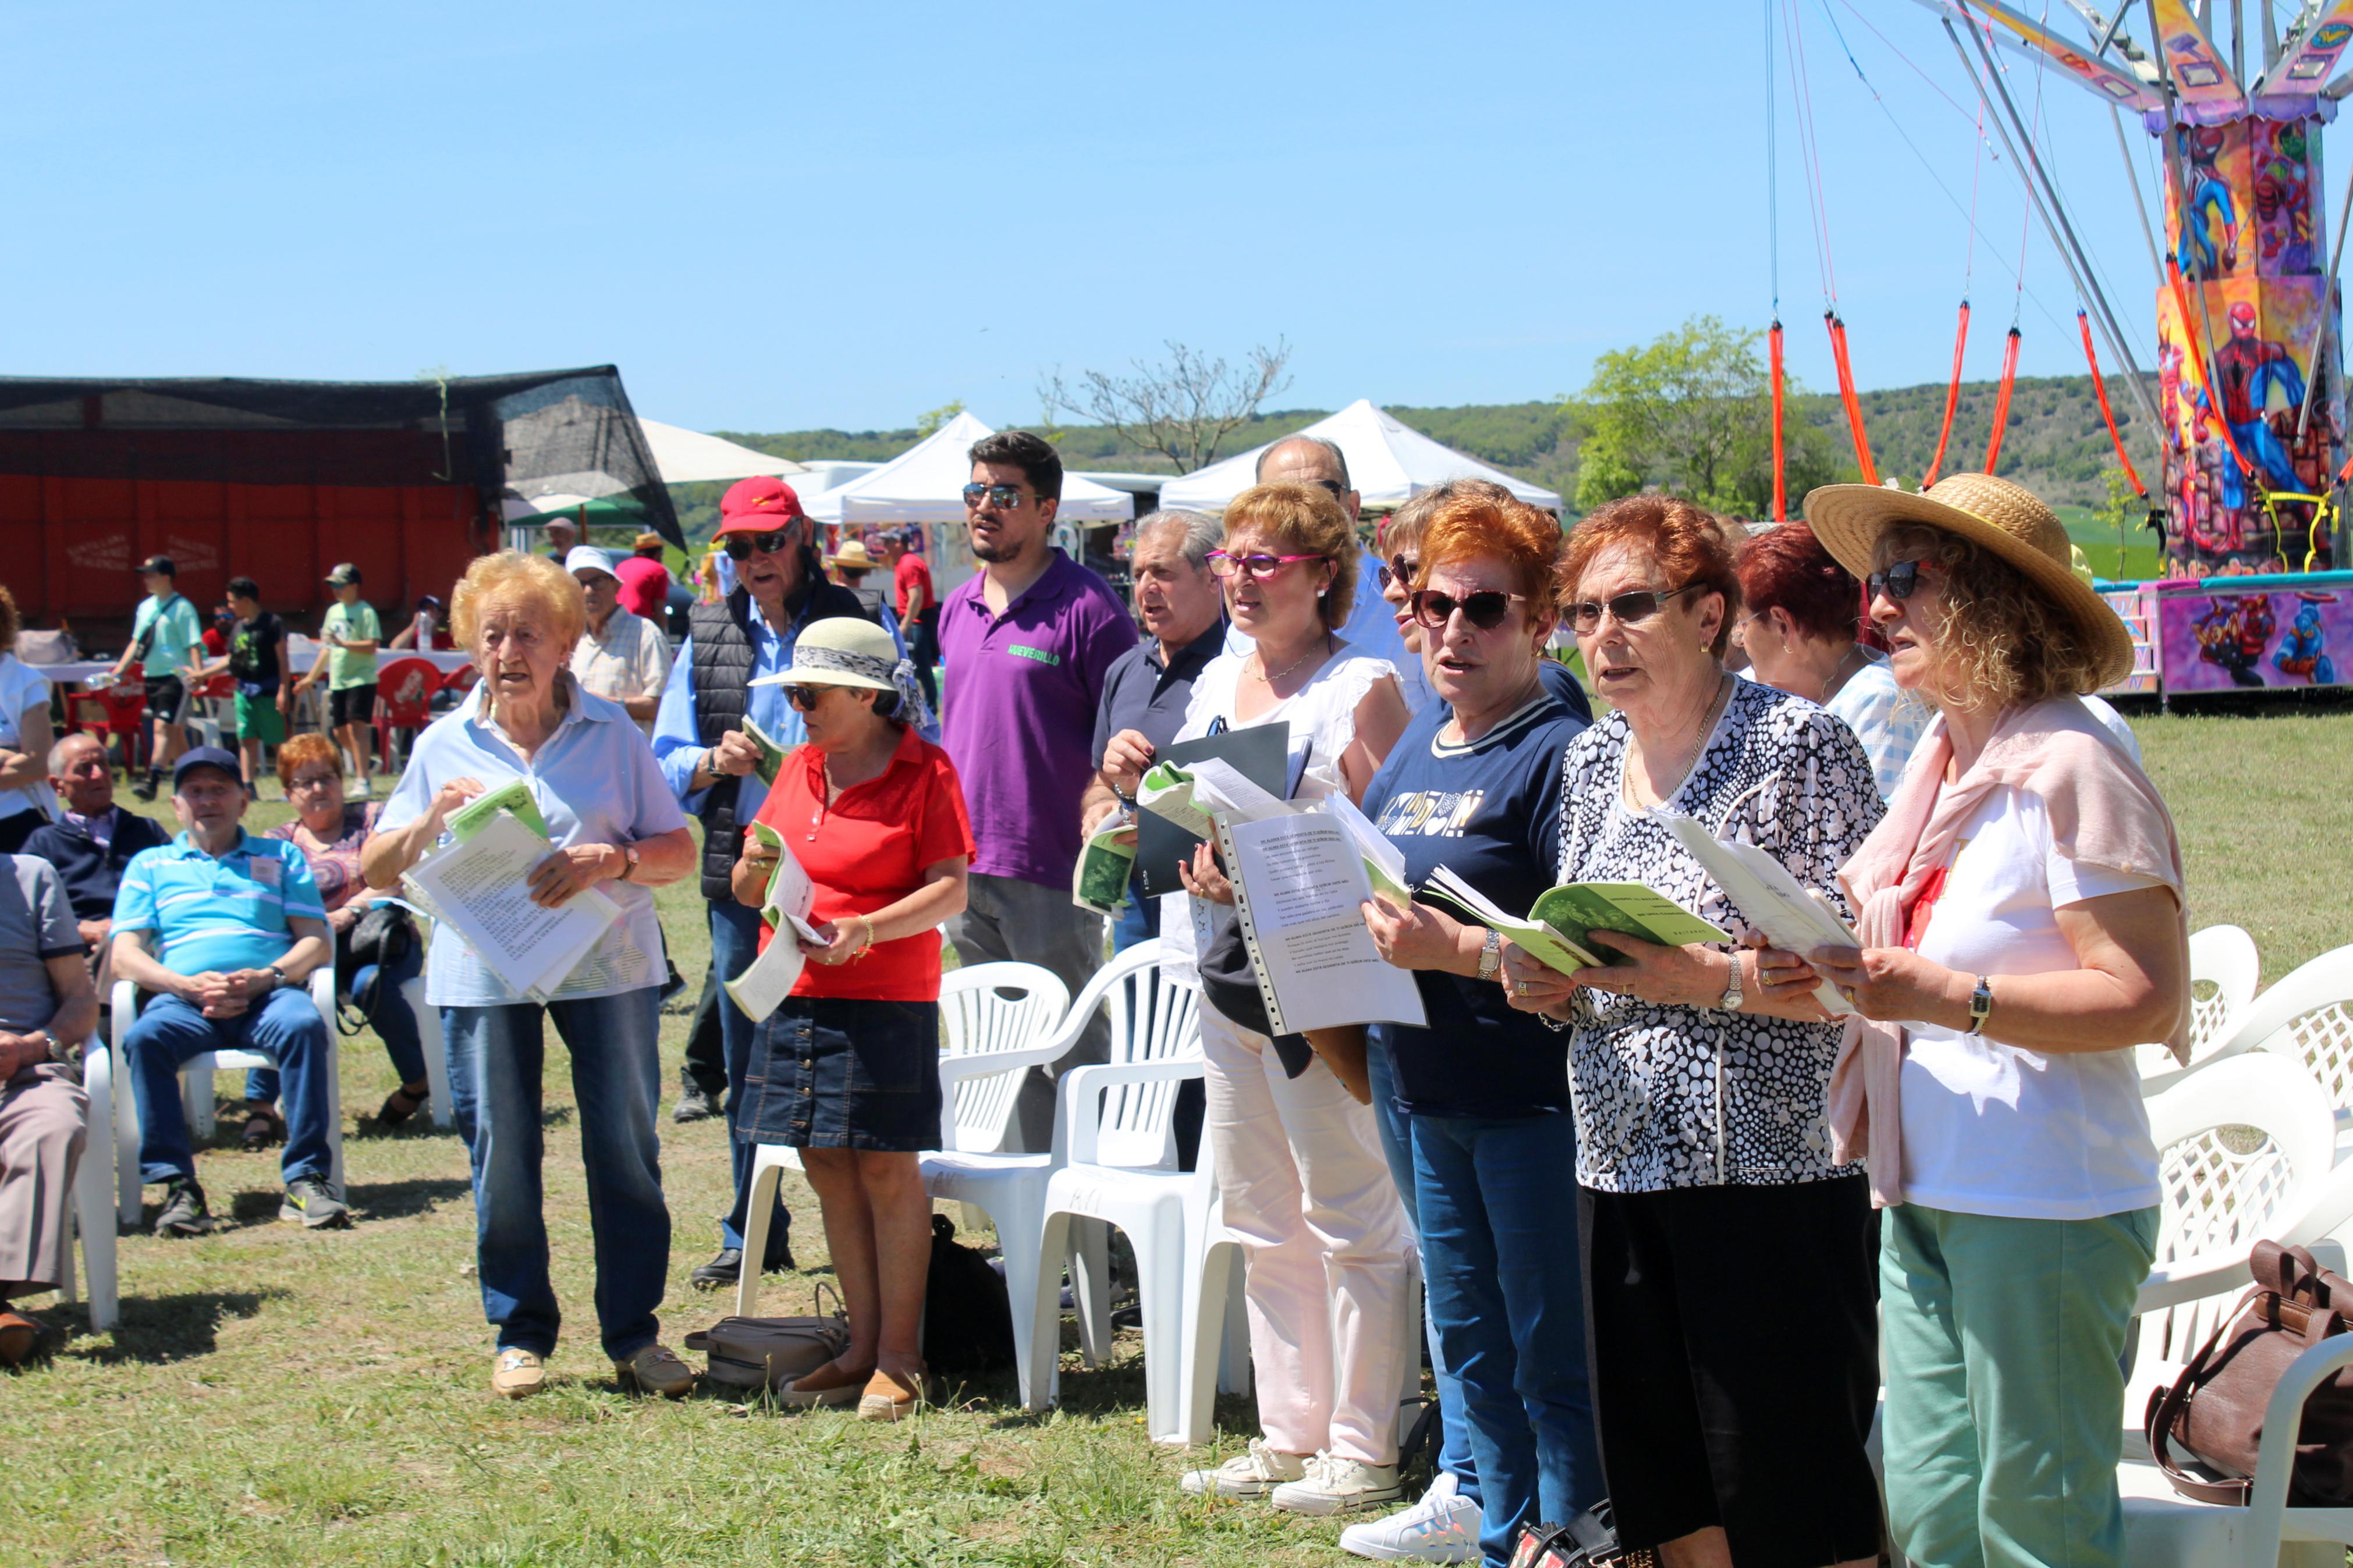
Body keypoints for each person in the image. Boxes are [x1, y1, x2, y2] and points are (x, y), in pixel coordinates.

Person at [1782, 472, 2188, 1568]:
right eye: (1874, 582)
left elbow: (2147, 998)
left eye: (1906, 580)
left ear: (1996, 600)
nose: (1875, 609)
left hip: (2044, 1201)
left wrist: (1938, 998)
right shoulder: (1942, 758)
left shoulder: (2071, 756)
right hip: (1927, 1187)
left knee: (2037, 1530)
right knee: (1928, 1515)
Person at [1500, 494, 1884, 1568]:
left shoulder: (1795, 744)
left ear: (1709, 613)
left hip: (1770, 1180)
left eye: (1632, 606)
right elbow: (1595, 955)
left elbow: (1850, 979)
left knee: (1794, 1498)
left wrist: (1697, 979)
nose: (1601, 638)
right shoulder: (1587, 762)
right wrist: (1550, 981)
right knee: (1666, 1501)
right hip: (1616, 1169)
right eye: (1580, 615)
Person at [1101, 482, 1415, 1514]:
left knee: (1349, 1217)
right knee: (1259, 1214)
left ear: (1324, 574)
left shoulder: (1359, 686)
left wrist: (1277, 860)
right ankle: (1289, 1435)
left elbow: (1392, 854)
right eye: (1230, 559)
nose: (1238, 577)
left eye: (1263, 561)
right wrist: (1140, 784)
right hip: (1219, 969)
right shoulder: (1220, 680)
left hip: (1319, 980)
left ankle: (1364, 1449)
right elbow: (1184, 809)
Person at [364, 552, 698, 1400]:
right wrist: (427, 822)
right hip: (482, 969)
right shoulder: (441, 743)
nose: (508, 649)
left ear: (563, 643)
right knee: (501, 1151)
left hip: (608, 963)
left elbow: (678, 850)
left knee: (624, 1144)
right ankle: (520, 1331)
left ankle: (633, 1332)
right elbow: (373, 868)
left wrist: (609, 858)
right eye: (491, 634)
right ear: (469, 647)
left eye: (527, 633)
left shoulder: (614, 733)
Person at [1353, 491, 1601, 1567]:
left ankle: (1571, 1534)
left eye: (1485, 607)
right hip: (1427, 1089)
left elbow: (1592, 958)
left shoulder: (1560, 751)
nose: (1452, 629)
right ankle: (1500, 1541)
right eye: (1435, 603)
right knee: (1468, 1344)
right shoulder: (1421, 739)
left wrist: (1447, 951)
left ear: (1540, 618)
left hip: (1530, 1098)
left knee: (1552, 1351)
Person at [729, 617, 968, 1420]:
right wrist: (750, 871)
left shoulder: (925, 769)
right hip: (791, 989)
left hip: (884, 996)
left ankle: (901, 1355)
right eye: (791, 692)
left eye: (809, 692)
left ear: (867, 695)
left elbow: (951, 888)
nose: (796, 706)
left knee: (882, 1168)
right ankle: (860, 1347)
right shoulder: (798, 764)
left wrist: (866, 928)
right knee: (824, 1160)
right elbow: (753, 874)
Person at [651, 475, 882, 1290]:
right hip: (742, 877)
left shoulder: (855, 621)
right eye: (738, 546)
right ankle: (752, 1225)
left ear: (803, 538)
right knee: (750, 1055)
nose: (754, 559)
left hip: (847, 869)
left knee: (852, 1046)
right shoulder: (706, 628)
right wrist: (715, 759)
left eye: (769, 542)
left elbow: (901, 724)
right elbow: (664, 758)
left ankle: (874, 1220)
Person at [937, 431, 1138, 1152]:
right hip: (963, 866)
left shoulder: (1086, 608)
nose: (984, 507)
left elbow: (1125, 735)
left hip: (1052, 869)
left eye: (1004, 494)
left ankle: (1100, 1228)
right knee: (1000, 1056)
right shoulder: (955, 606)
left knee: (1071, 1050)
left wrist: (1099, 805)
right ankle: (1028, 1230)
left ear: (1047, 508)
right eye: (974, 492)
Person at [112, 746, 347, 1236]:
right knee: (144, 1038)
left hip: (266, 995)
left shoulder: (279, 856)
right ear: (176, 805)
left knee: (304, 1023)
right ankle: (178, 1187)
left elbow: (315, 939)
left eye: (219, 789)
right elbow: (124, 956)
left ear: (243, 801)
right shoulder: (150, 865)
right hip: (184, 1000)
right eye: (194, 791)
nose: (207, 801)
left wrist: (268, 977)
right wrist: (183, 985)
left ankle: (306, 1178)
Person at [242, 734, 430, 1130]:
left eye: (326, 777)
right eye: (304, 781)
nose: (318, 788)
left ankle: (418, 1083)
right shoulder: (278, 842)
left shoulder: (373, 820)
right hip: (311, 950)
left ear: (341, 780)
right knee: (280, 992)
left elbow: (396, 877)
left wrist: (347, 911)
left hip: (377, 943)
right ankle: (260, 1104)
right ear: (288, 793)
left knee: (369, 984)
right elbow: (265, 901)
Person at [1078, 509, 1227, 952]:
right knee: (1142, 1022)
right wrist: (1100, 805)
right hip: (1138, 905)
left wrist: (1163, 825)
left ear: (1212, 576)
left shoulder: (1243, 666)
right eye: (1138, 572)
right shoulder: (1124, 669)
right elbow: (1100, 783)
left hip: (1215, 898)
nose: (1145, 587)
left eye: (1162, 572)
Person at [1229, 435, 1432, 716]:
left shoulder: (1409, 603)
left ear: (1352, 507)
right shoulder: (1243, 627)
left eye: (1321, 493)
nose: (1300, 512)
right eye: (1275, 500)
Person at [1733, 521, 1932, 800]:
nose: (1739, 639)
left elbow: (1879, 836)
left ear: (1782, 625)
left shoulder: (1878, 704)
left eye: (1743, 623)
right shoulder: (1756, 686)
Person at [0, 853, 100, 1366]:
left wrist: (28, 1049)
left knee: (55, 1124)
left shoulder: (30, 877)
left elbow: (82, 1001)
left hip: (26, 1068)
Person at [22, 733, 173, 994]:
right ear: (57, 785)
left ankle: (107, 1030)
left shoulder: (146, 832)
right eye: (84, 769)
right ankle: (108, 1026)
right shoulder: (43, 845)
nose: (98, 775)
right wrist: (80, 929)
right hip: (81, 953)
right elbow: (25, 914)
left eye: (103, 765)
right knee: (113, 945)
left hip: (149, 937)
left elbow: (181, 887)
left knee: (120, 941)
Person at [110, 556, 201, 803]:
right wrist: (119, 671)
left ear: (166, 577)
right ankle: (196, 779)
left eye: (151, 574)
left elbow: (193, 644)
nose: (146, 579)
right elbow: (137, 643)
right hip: (152, 677)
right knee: (176, 733)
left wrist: (198, 674)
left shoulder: (183, 608)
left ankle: (153, 781)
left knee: (163, 728)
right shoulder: (145, 608)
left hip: (176, 677)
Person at [191, 577, 290, 803]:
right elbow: (230, 659)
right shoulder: (238, 627)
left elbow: (283, 660)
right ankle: (248, 787)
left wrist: (283, 690)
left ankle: (289, 783)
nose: (231, 607)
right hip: (244, 691)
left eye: (233, 602)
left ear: (246, 600)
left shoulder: (272, 624)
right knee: (247, 738)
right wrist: (203, 675)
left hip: (268, 690)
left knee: (278, 740)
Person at [294, 564, 381, 798]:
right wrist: (311, 678)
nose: (336, 590)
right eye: (333, 586)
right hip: (338, 680)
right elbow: (327, 649)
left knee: (357, 727)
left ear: (354, 586)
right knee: (340, 732)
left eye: (340, 585)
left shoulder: (366, 612)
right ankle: (367, 763)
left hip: (361, 678)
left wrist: (344, 644)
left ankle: (363, 779)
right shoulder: (333, 612)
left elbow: (372, 645)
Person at [566, 546, 669, 736]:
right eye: (580, 583)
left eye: (597, 581)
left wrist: (610, 705)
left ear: (616, 585)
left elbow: (665, 706)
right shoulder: (569, 639)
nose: (589, 591)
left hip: (627, 757)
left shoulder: (645, 634)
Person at [882, 528, 939, 712]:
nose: (884, 547)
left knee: (921, 669)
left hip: (917, 624)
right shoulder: (906, 562)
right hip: (917, 623)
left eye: (888, 542)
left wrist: (905, 625)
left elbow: (916, 597)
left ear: (899, 543)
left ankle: (929, 709)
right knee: (917, 669)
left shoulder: (909, 564)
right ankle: (923, 708)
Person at [826, 538, 899, 638]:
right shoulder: (877, 606)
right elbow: (897, 647)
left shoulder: (821, 599)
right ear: (866, 572)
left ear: (838, 569)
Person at [615, 532, 673, 624]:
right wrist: (662, 633)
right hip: (640, 620)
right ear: (657, 554)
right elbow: (659, 609)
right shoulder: (658, 569)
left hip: (616, 617)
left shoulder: (621, 566)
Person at [389, 595, 455, 652]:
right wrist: (414, 625)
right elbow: (395, 649)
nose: (427, 612)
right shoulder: (413, 636)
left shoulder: (447, 637)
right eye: (424, 608)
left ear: (439, 614)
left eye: (431, 608)